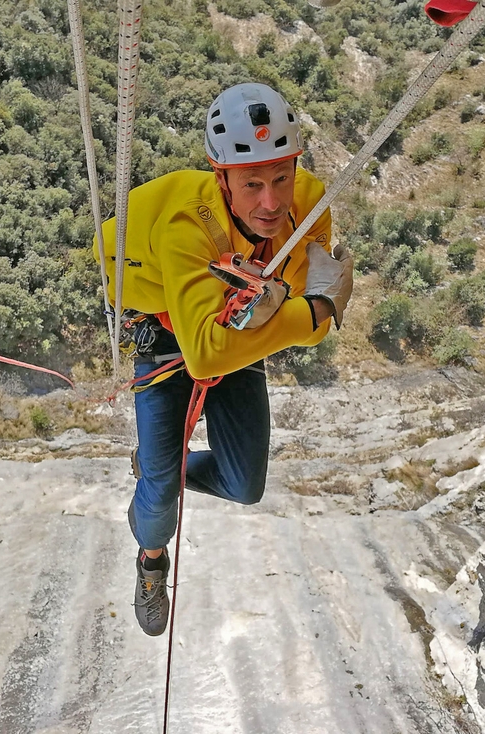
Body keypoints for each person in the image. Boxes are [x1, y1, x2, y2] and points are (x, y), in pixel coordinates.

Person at [96, 83, 354, 636]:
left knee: (243, 485)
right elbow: (207, 348)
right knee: (160, 500)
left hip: (245, 322)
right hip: (169, 333)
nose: (271, 201)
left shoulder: (309, 207)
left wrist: (296, 311)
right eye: (253, 184)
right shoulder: (188, 226)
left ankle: (158, 470)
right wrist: (313, 318)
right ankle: (150, 560)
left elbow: (290, 304)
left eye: (281, 178)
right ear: (222, 180)